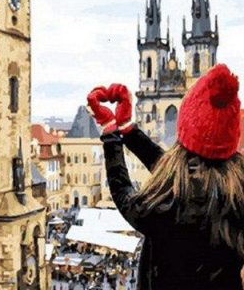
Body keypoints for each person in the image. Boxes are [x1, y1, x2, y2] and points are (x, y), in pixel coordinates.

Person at [87, 64, 244, 290]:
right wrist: (129, 132)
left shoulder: (174, 205)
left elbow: (126, 198)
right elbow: (174, 175)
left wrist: (111, 135)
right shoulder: (236, 186)